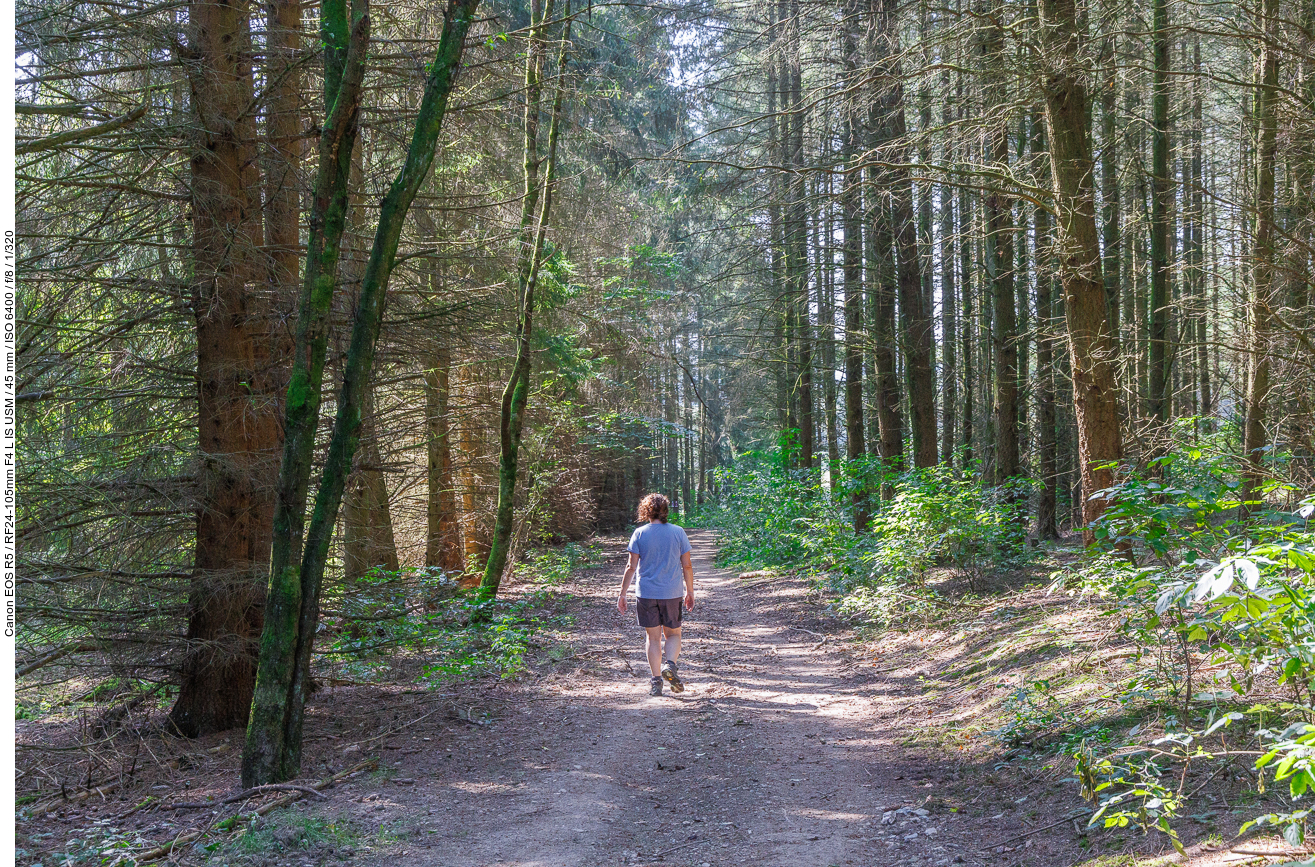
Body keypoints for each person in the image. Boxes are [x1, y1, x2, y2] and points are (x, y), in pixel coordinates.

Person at [616, 493, 694, 696]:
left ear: (646, 511)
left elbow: (631, 567)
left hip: (646, 594)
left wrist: (622, 593)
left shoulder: (639, 533)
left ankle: (656, 682)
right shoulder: (678, 532)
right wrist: (690, 591)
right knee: (673, 634)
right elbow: (687, 565)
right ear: (666, 511)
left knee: (653, 638)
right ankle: (670, 665)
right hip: (672, 593)